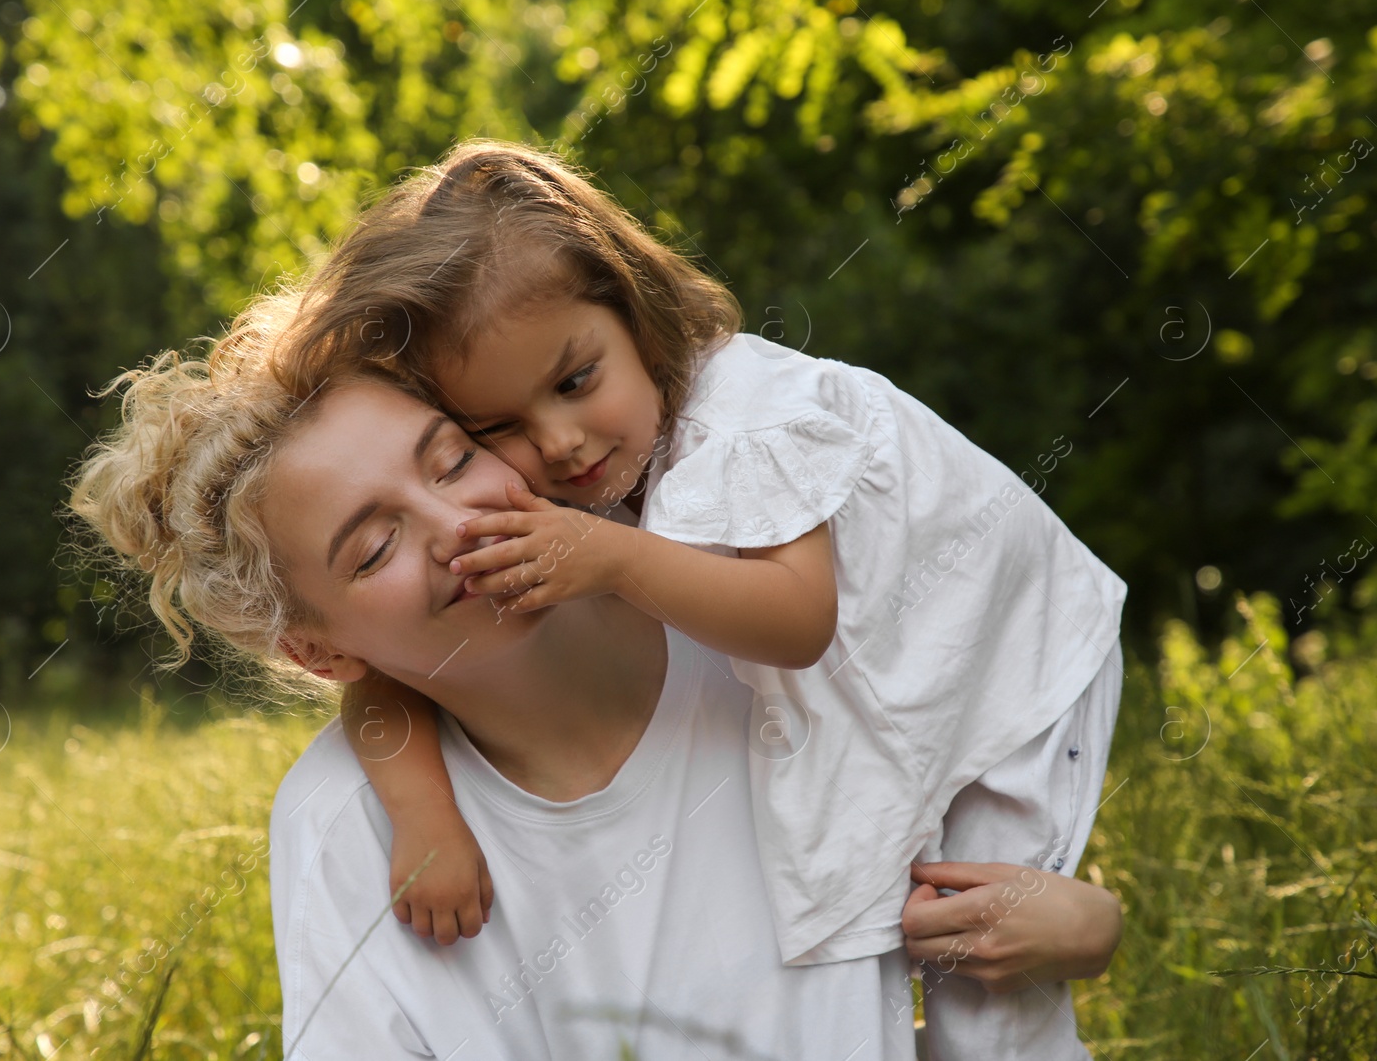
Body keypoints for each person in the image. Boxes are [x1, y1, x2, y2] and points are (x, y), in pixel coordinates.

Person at [274, 141, 1129, 1056]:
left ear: (637, 313)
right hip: (894, 672)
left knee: (986, 974)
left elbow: (798, 625)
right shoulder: (617, 460)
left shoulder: (738, 421)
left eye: (573, 382)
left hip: (1012, 671)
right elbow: (384, 680)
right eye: (499, 426)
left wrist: (614, 557)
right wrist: (425, 814)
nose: (560, 444)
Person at [68, 345, 1123, 1060]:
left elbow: (927, 924)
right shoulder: (351, 828)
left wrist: (1080, 922)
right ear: (320, 648)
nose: (455, 523)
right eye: (377, 543)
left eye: (453, 457)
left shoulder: (759, 630)